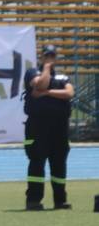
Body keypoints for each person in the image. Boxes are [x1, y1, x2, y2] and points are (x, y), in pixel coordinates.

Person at [22, 44, 75, 211]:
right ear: (42, 57)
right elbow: (41, 85)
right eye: (47, 55)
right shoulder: (33, 72)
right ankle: (33, 200)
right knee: (37, 162)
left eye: (52, 55)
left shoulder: (63, 77)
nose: (50, 58)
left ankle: (60, 200)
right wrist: (46, 68)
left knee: (59, 163)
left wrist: (45, 94)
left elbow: (68, 94)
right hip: (38, 126)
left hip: (59, 126)